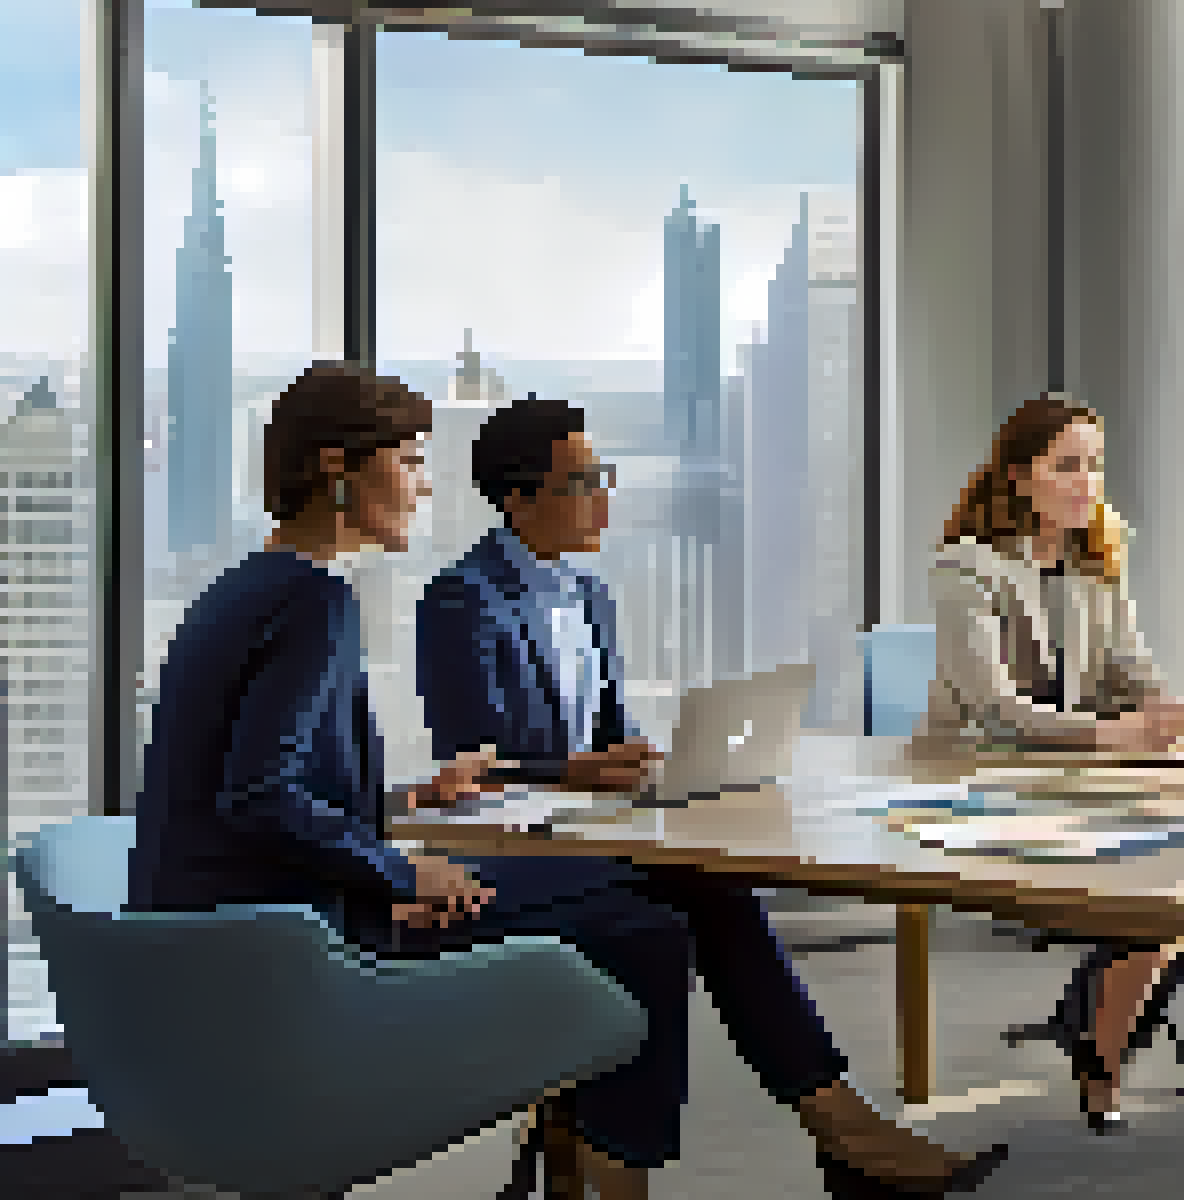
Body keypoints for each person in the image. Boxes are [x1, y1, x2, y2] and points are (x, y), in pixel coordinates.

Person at [130, 365, 1004, 1200]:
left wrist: (408, 803)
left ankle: (711, 1147)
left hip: (256, 922)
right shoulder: (314, 600)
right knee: (649, 927)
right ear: (339, 470)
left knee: (677, 899)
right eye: (410, 462)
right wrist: (404, 874)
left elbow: (254, 785)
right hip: (289, 944)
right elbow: (258, 799)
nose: (425, 488)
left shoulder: (258, 584)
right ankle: (677, 1159)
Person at [919, 391, 1184, 1135]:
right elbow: (996, 712)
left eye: (1095, 466)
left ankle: (1097, 1046)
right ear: (1020, 477)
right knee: (1152, 890)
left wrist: (1164, 710)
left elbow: (1128, 667)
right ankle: (1092, 1033)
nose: (1087, 483)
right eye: (1067, 466)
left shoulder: (1096, 558)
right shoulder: (967, 569)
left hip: (1070, 780)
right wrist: (1114, 735)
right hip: (975, 783)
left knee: (1179, 889)